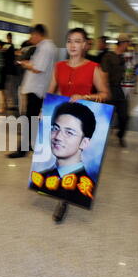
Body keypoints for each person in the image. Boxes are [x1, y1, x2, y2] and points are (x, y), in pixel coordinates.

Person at [47, 27, 109, 222]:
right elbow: (52, 92)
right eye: (70, 41)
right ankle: (60, 191)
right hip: (61, 119)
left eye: (78, 41)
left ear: (85, 45)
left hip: (79, 122)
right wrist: (44, 111)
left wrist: (86, 96)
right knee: (56, 159)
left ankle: (64, 200)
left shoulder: (93, 68)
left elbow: (105, 94)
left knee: (72, 160)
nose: (73, 45)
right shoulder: (59, 67)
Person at [30, 102, 96, 209]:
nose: (58, 137)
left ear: (84, 142)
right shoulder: (41, 177)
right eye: (55, 128)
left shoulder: (86, 189)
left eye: (69, 132)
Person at [7, 24, 57, 158]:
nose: (30, 38)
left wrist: (25, 64)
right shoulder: (46, 47)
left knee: (29, 119)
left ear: (37, 34)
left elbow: (38, 68)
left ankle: (22, 149)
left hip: (36, 88)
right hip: (37, 88)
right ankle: (30, 144)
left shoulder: (45, 47)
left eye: (32, 35)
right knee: (33, 119)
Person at [100, 33, 131, 147]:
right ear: (122, 43)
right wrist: (106, 91)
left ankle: (120, 135)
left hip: (121, 89)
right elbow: (104, 75)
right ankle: (100, 137)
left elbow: (128, 74)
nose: (128, 45)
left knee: (124, 116)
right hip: (110, 88)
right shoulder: (108, 56)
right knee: (106, 116)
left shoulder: (125, 57)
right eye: (127, 42)